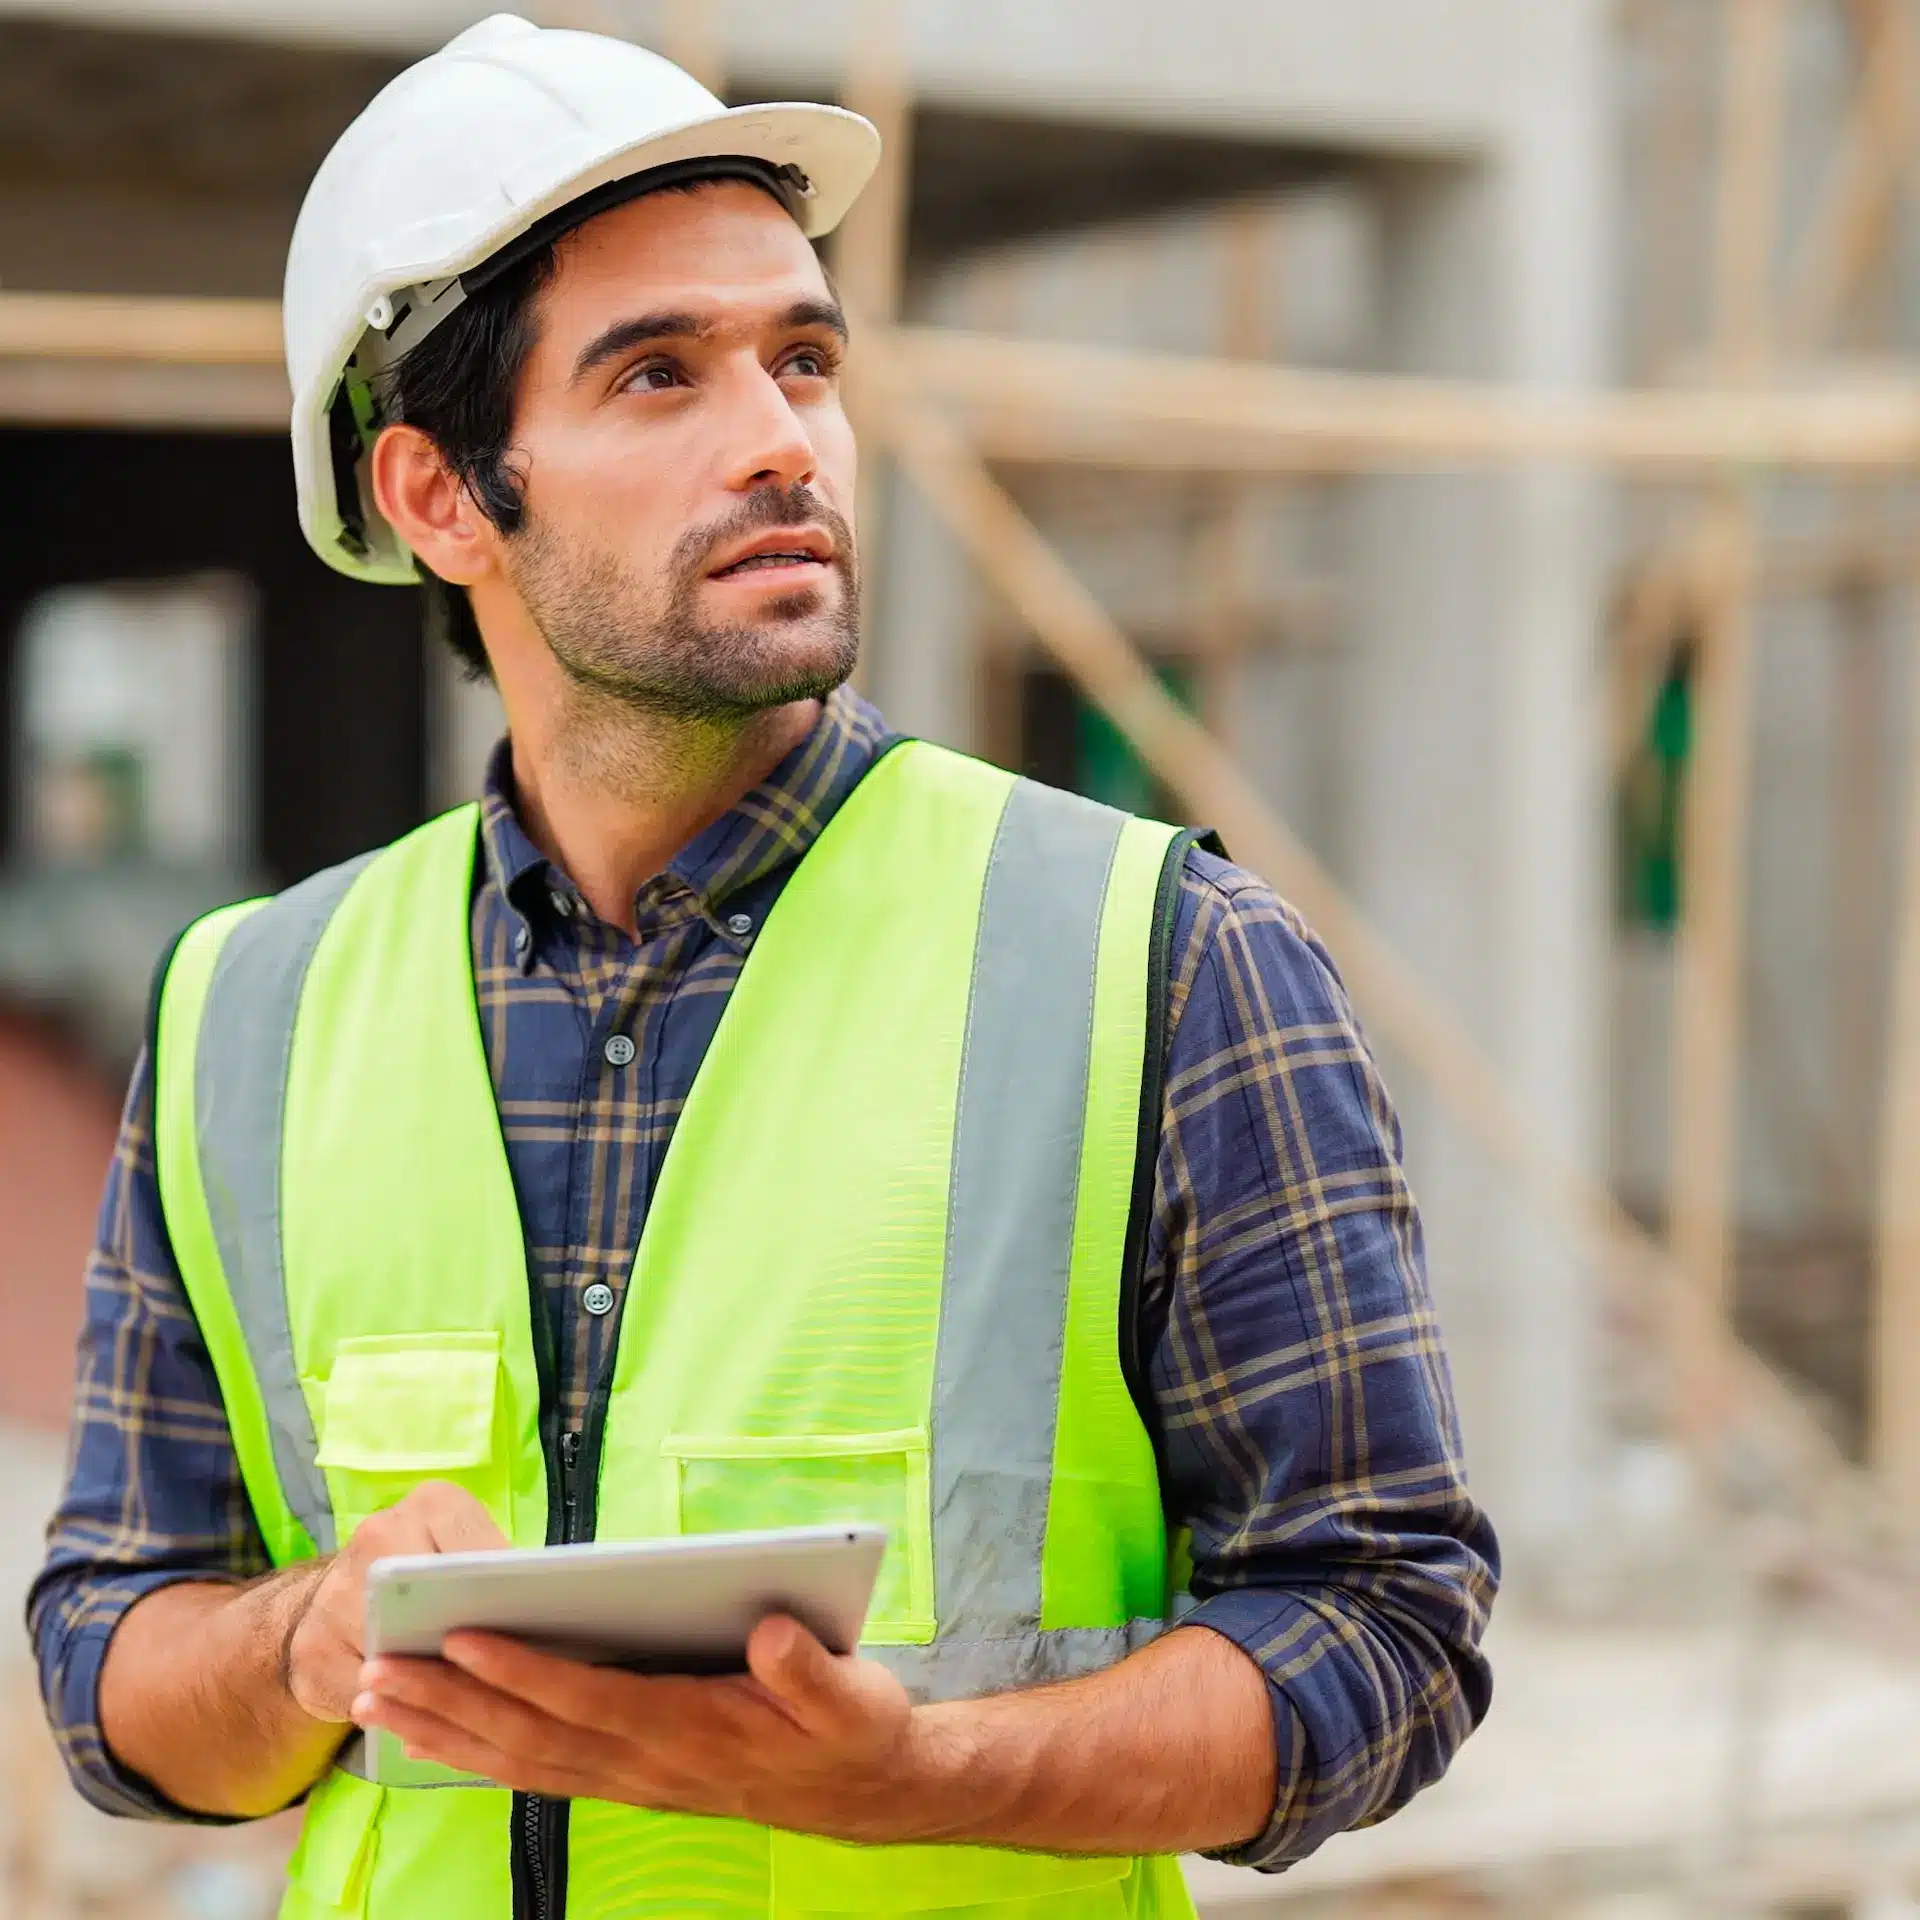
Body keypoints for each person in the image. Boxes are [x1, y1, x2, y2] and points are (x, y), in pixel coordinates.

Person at [29, 16, 1497, 1917]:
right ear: (440, 496)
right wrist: (305, 1641)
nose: (782, 439)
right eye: (660, 377)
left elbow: (1386, 1628)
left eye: (805, 360)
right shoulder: (248, 1012)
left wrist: (928, 1774)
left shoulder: (1162, 961)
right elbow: (108, 1668)